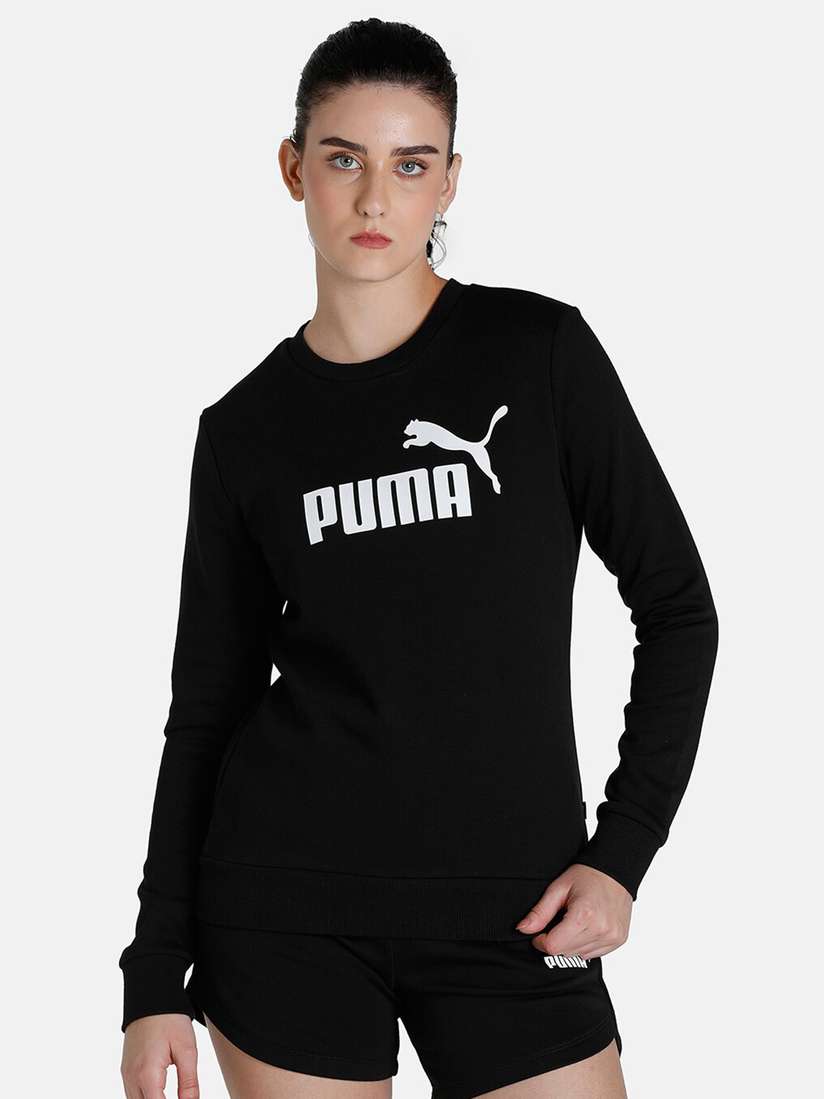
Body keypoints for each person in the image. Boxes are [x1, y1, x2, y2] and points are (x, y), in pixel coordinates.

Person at [119, 17, 718, 1099]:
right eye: (343, 158)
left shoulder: (538, 355)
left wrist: (622, 851)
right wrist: (154, 973)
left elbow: (677, 607)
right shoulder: (245, 430)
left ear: (449, 180)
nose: (373, 199)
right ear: (293, 169)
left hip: (519, 911)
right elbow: (205, 706)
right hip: (284, 910)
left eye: (409, 164)